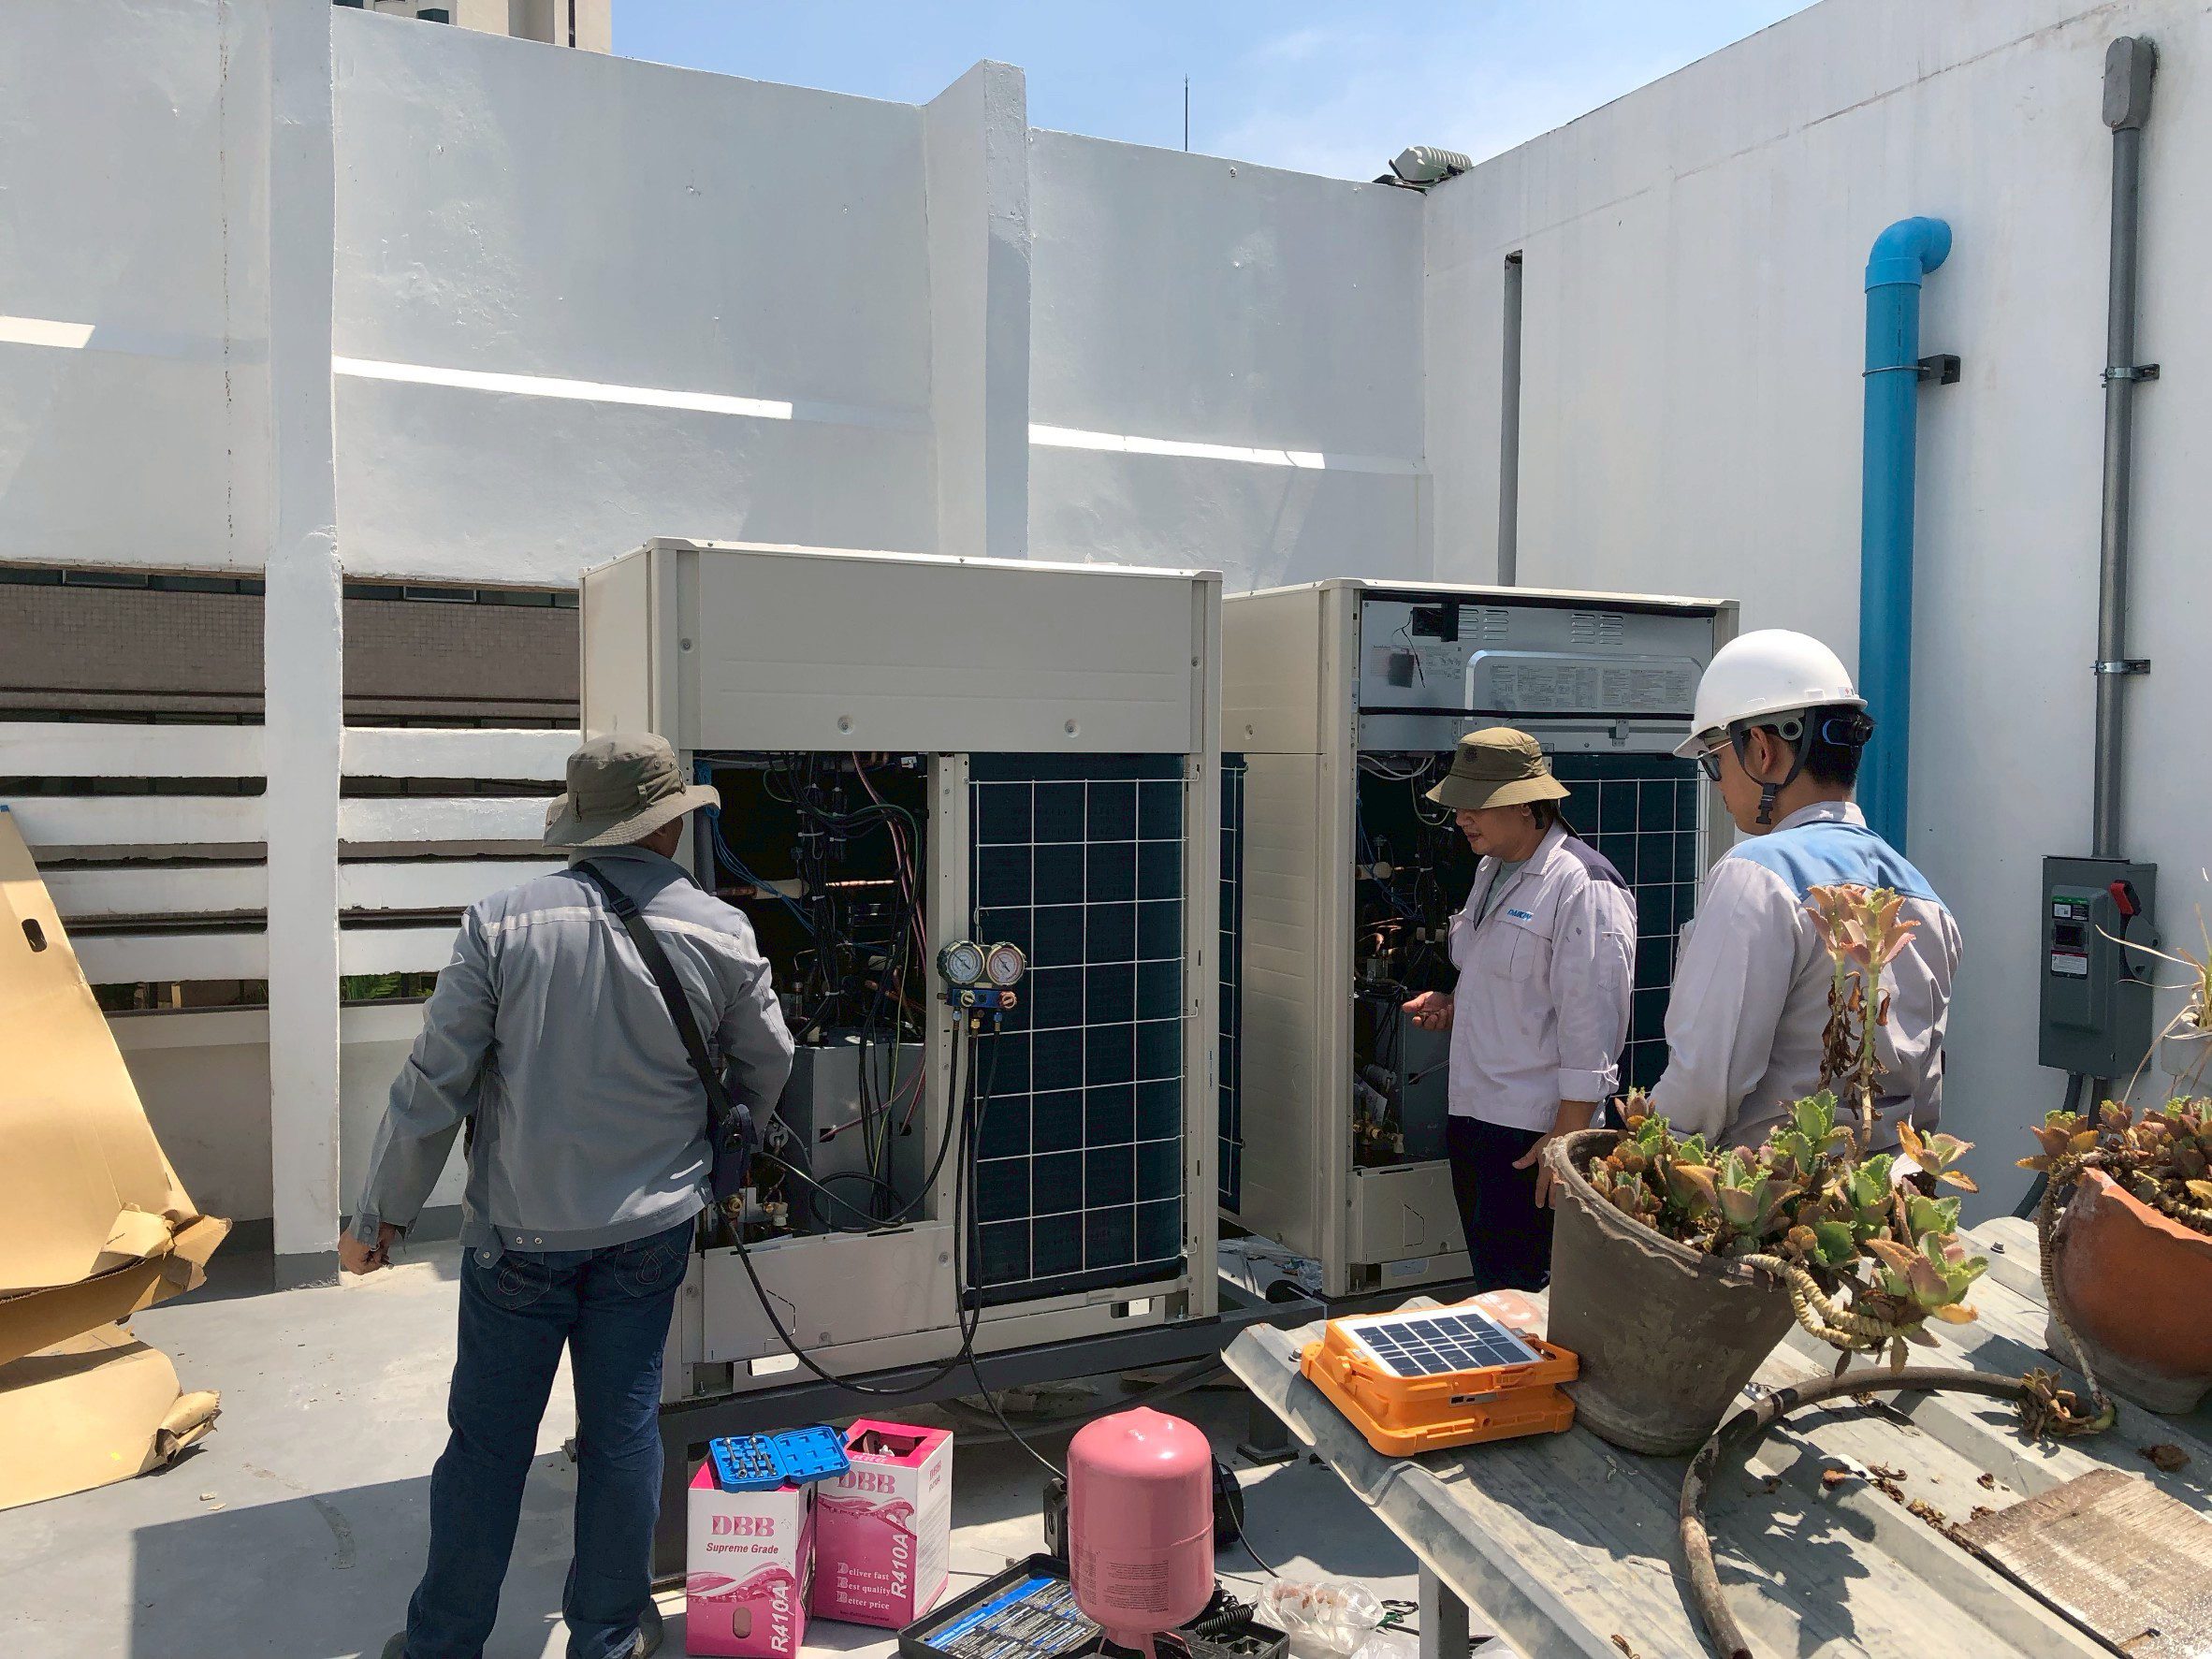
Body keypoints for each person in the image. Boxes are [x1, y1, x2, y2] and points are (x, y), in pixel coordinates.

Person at [343, 733, 795, 1659]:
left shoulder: (499, 923)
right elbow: (770, 1062)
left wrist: (381, 1216)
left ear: (585, 829)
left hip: (519, 1235)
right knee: (622, 1434)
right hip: (650, 1232)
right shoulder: (722, 930)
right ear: (669, 826)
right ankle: (608, 1636)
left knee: (486, 1445)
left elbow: (434, 1082)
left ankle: (444, 1644)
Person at [1645, 629, 1961, 1149]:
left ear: (1761, 749)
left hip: (1766, 1191)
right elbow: (1925, 1093)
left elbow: (1705, 1077)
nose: (1717, 783)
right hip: (1885, 1187)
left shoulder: (1756, 875)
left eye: (1715, 761)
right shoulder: (1924, 898)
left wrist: (1646, 1156)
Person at [1404, 728, 1635, 1291]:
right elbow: (1513, 984)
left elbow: (1593, 1023)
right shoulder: (1491, 869)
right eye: (1459, 802)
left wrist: (1564, 1140)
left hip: (1534, 1131)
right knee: (1494, 1288)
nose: (1461, 817)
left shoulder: (1582, 884)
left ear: (1527, 804)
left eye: (1477, 803)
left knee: (1529, 1297)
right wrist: (1456, 1005)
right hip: (1474, 1115)